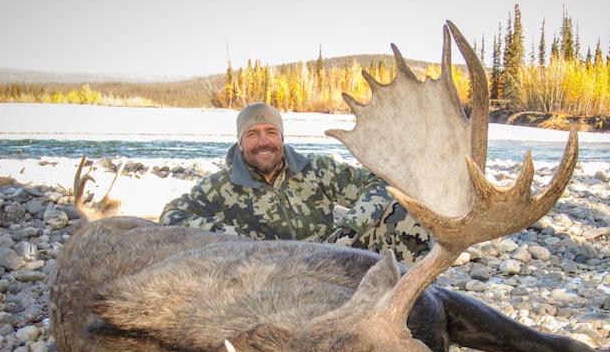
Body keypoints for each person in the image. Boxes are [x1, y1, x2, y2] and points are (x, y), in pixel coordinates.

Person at [159, 102, 430, 262]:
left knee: (407, 212)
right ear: (240, 143)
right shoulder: (220, 187)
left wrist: (349, 230)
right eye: (252, 134)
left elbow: (379, 184)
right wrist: (229, 238)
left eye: (270, 132)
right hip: (271, 275)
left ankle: (412, 303)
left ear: (282, 137)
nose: (263, 142)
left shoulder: (316, 169)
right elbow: (172, 215)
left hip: (332, 259)